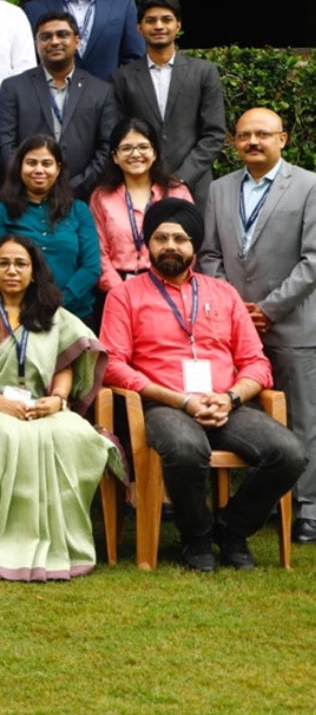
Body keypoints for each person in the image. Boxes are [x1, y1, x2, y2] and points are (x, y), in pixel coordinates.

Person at [101, 198, 306, 571]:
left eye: (180, 239)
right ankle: (196, 536)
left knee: (289, 453)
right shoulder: (125, 295)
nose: (170, 246)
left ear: (194, 246)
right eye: (161, 238)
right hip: (165, 404)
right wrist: (180, 401)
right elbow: (113, 364)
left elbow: (257, 363)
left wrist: (229, 398)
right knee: (185, 447)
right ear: (148, 244)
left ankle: (231, 529)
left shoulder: (223, 293)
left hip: (226, 404)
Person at [0, 236, 121, 581]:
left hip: (44, 406)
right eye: (3, 263)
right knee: (3, 437)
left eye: (21, 264)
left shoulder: (51, 312)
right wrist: (0, 402)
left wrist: (58, 399)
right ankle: (7, 544)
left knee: (74, 436)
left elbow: (66, 365)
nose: (12, 270)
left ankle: (62, 547)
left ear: (33, 272)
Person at [200, 108, 316, 545]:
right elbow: (209, 254)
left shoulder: (308, 186)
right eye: (245, 135)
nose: (253, 141)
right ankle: (263, 501)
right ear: (234, 143)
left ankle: (308, 508)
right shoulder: (219, 188)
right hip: (232, 328)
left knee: (303, 418)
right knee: (246, 415)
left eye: (263, 134)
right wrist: (232, 306)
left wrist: (269, 308)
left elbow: (313, 259)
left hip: (292, 325)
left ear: (282, 139)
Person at [111, 0, 227, 208]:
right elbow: (120, 133)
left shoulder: (204, 72)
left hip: (195, 186)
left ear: (178, 25)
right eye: (151, 20)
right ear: (139, 28)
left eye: (166, 19)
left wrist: (182, 177)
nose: (158, 26)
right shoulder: (122, 77)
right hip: (141, 185)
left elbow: (214, 133)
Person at [0, 11, 118, 198]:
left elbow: (106, 147)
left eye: (62, 35)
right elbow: (6, 144)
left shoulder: (101, 91)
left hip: (82, 198)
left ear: (77, 41)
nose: (54, 42)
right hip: (24, 198)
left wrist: (73, 187)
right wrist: (33, 182)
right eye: (45, 37)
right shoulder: (13, 88)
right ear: (36, 44)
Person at [0, 135, 100, 322]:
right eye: (31, 163)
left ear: (58, 169)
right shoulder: (2, 210)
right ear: (19, 167)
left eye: (47, 163)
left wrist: (57, 303)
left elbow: (91, 267)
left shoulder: (78, 210)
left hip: (74, 315)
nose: (39, 170)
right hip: (18, 315)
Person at [88, 118, 192, 293]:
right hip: (115, 289)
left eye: (143, 147)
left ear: (155, 153)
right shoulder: (102, 197)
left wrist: (167, 283)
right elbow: (98, 251)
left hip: (169, 287)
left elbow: (190, 245)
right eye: (126, 148)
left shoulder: (177, 193)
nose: (135, 154)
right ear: (115, 156)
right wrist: (119, 292)